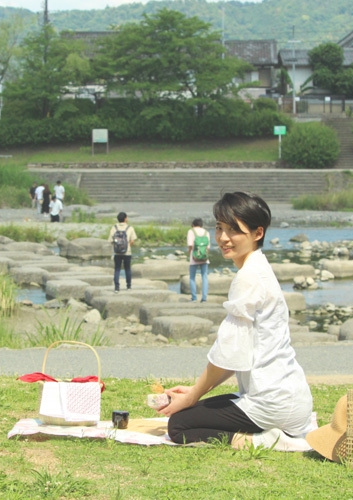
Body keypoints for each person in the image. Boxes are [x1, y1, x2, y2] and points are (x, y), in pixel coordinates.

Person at [159, 192, 314, 451]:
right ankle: (271, 432)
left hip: (271, 403)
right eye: (219, 228)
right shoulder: (259, 268)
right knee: (193, 411)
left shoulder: (248, 278)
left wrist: (192, 397)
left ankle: (265, 441)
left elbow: (229, 353)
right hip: (291, 400)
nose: (223, 238)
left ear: (257, 233)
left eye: (234, 230)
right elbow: (234, 358)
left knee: (179, 425)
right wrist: (194, 393)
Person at [108, 211, 137, 293]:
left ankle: (117, 288)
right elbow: (132, 240)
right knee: (127, 269)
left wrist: (117, 246)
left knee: (117, 269)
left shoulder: (114, 228)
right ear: (125, 219)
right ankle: (129, 286)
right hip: (127, 252)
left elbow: (110, 240)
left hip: (117, 252)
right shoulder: (130, 228)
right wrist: (127, 246)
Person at [187, 218, 210, 302]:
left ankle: (194, 298)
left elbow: (190, 245)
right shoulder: (206, 232)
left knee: (192, 277)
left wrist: (189, 253)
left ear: (193, 224)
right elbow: (208, 247)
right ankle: (204, 298)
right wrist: (206, 255)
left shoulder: (191, 231)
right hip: (204, 257)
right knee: (204, 277)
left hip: (194, 258)